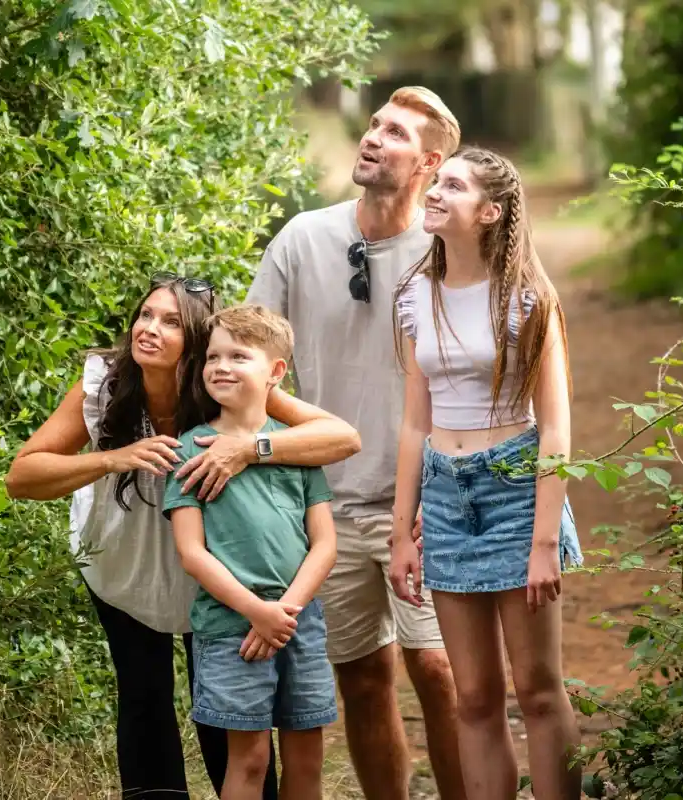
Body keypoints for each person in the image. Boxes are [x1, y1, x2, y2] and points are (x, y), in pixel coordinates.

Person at [4, 273, 360, 799]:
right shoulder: (104, 381)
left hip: (212, 565)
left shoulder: (219, 383)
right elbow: (21, 477)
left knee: (222, 704)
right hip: (122, 555)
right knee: (144, 694)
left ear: (197, 340)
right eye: (145, 315)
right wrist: (112, 458)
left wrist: (248, 449)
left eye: (171, 322)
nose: (149, 329)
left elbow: (341, 437)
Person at [245, 86, 466, 800]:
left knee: (437, 668)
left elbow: (476, 377)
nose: (373, 137)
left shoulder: (447, 251)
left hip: (421, 497)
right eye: (374, 125)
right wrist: (296, 442)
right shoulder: (302, 239)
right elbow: (250, 359)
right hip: (323, 505)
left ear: (429, 162)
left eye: (396, 133)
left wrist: (450, 484)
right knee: (364, 678)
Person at [388, 146, 584, 800]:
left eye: (452, 185)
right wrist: (401, 533)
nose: (434, 191)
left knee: (536, 689)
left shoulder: (528, 298)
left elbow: (555, 428)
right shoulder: (417, 295)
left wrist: (541, 544)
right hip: (445, 494)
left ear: (490, 211)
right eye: (435, 181)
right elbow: (414, 422)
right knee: (472, 695)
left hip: (515, 490)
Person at [164, 305, 339, 800]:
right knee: (251, 760)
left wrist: (285, 612)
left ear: (276, 373)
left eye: (238, 356)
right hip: (231, 627)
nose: (220, 366)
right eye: (213, 356)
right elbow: (192, 553)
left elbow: (324, 543)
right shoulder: (189, 448)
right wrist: (256, 612)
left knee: (307, 757)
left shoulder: (297, 447)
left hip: (298, 620)